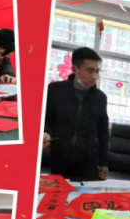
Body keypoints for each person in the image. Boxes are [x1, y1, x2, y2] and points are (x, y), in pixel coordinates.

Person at [43, 47, 109, 181]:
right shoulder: (55, 91)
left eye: (97, 71)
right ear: (74, 69)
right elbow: (45, 119)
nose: (94, 76)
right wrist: (45, 131)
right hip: (59, 160)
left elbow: (103, 133)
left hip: (88, 163)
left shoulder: (100, 98)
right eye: (90, 70)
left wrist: (103, 162)